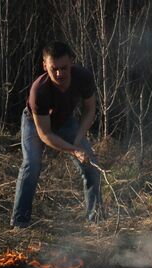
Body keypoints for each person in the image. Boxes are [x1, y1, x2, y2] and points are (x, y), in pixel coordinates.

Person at [11, 41, 101, 228]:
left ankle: (96, 220)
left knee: (91, 163)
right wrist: (73, 150)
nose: (59, 73)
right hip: (35, 123)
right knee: (32, 164)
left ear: (72, 62)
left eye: (64, 68)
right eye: (54, 69)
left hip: (65, 121)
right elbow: (45, 134)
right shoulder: (39, 90)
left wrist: (78, 143)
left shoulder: (83, 77)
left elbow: (90, 109)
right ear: (45, 66)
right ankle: (20, 222)